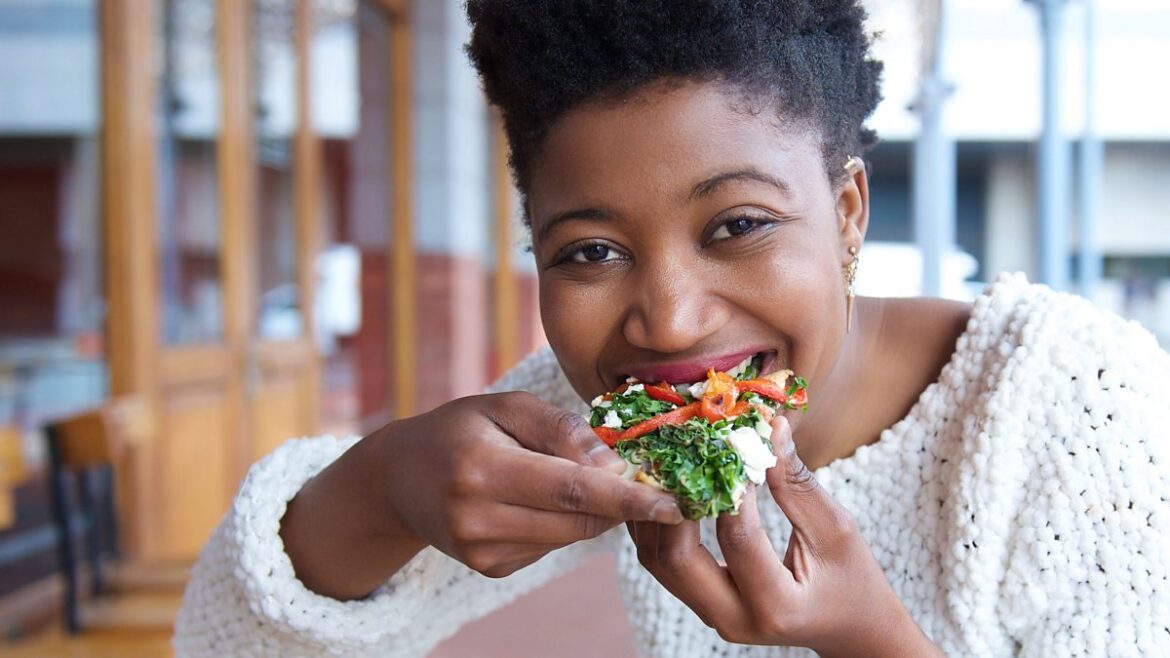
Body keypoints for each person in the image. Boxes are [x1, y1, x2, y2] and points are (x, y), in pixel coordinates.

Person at [173, 1, 1170, 656]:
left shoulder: (1078, 401)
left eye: (737, 226)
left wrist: (870, 640)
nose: (669, 320)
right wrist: (381, 487)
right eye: (590, 252)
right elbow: (219, 640)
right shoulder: (601, 426)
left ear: (851, 211)